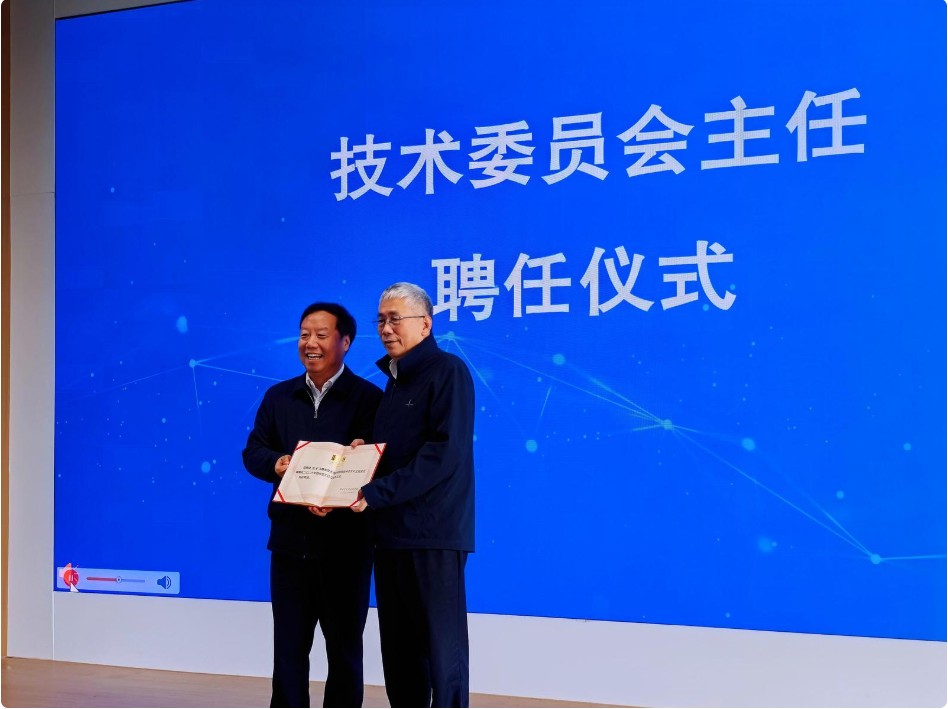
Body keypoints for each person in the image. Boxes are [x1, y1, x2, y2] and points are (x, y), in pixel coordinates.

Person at [243, 302, 382, 708]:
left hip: (347, 546)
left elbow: (381, 462)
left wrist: (350, 481)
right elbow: (253, 452)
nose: (311, 343)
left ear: (345, 342)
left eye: (322, 335)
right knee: (288, 648)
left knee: (345, 650)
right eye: (305, 335)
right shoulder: (279, 396)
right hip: (290, 543)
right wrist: (277, 463)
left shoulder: (369, 399)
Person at [351, 282, 476, 708]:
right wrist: (362, 457)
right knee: (400, 650)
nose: (386, 329)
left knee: (441, 649)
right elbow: (396, 453)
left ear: (425, 324)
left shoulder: (448, 372)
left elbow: (443, 454)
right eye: (381, 321)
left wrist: (376, 491)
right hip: (389, 534)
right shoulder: (393, 383)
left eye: (395, 319)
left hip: (433, 534)